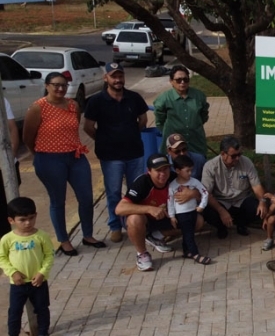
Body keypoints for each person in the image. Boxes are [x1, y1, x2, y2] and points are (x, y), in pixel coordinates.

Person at [23, 72, 100, 255]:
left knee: (86, 198)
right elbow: (28, 136)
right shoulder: (38, 107)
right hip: (49, 159)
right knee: (58, 201)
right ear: (47, 85)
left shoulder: (73, 105)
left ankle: (88, 235)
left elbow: (74, 128)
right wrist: (40, 155)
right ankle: (64, 240)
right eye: (56, 85)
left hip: (75, 156)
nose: (60, 89)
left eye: (64, 85)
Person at [82, 62, 148, 243]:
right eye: (114, 76)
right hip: (110, 157)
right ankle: (115, 226)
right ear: (106, 78)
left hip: (135, 153)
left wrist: (132, 134)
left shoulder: (134, 98)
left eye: (120, 76)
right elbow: (88, 127)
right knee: (113, 192)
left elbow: (143, 119)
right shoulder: (96, 101)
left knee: (136, 191)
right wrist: (103, 139)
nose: (118, 80)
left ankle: (134, 222)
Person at [117, 154, 203, 271]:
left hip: (166, 217)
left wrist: (192, 193)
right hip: (145, 220)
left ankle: (156, 236)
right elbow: (119, 209)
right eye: (158, 170)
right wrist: (149, 209)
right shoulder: (142, 183)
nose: (163, 174)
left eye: (165, 169)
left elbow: (200, 191)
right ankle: (142, 254)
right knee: (134, 219)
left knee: (197, 221)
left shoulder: (175, 178)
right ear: (149, 171)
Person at [1, 197, 54, 336]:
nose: (28, 223)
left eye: (31, 218)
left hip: (38, 282)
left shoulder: (41, 236)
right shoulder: (7, 239)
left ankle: (43, 335)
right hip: (17, 285)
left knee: (42, 309)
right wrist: (12, 272)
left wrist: (42, 273)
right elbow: (2, 258)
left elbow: (49, 256)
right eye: (22, 220)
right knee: (15, 312)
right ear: (11, 220)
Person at [201, 136, 267, 239]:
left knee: (257, 208)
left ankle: (241, 224)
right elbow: (206, 193)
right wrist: (221, 211)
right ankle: (221, 227)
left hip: (241, 200)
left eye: (239, 154)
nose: (237, 158)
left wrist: (262, 202)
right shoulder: (210, 166)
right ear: (223, 154)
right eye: (234, 156)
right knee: (207, 211)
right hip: (221, 202)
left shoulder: (246, 162)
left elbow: (256, 185)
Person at [153, 65, 209, 167]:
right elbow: (160, 121)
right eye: (178, 80)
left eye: (185, 79)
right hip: (174, 147)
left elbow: (203, 116)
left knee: (198, 172)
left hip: (196, 143)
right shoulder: (164, 98)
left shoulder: (199, 96)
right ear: (171, 81)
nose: (182, 82)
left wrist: (194, 125)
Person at [167, 155, 211, 264]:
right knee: (188, 234)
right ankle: (195, 254)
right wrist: (172, 216)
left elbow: (205, 192)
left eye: (191, 170)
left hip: (193, 212)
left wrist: (202, 206)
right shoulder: (172, 186)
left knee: (189, 232)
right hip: (181, 214)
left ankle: (187, 251)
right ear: (177, 170)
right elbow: (170, 202)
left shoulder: (194, 182)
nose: (190, 173)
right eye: (187, 171)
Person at [0, 99, 21, 238]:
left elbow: (12, 128)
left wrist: (9, 160)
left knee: (7, 212)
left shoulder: (2, 100)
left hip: (5, 167)